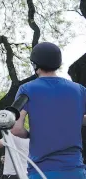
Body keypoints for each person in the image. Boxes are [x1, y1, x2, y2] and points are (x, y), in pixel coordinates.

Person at [11, 42, 86, 179]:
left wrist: (31, 134)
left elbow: (16, 129)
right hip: (75, 170)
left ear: (35, 64)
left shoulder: (27, 89)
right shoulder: (79, 90)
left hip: (42, 170)